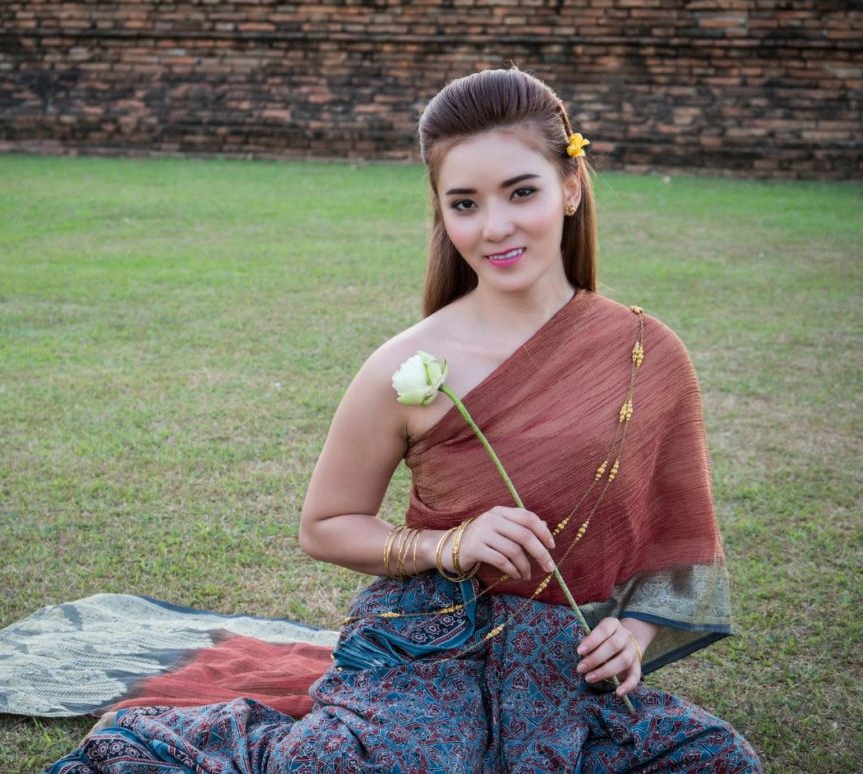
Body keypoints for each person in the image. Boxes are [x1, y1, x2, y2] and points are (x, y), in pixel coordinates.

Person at [47, 67, 761, 772]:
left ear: (570, 187)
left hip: (567, 665)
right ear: (442, 215)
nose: (496, 226)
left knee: (715, 760)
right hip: (428, 640)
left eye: (521, 192)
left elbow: (680, 547)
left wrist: (632, 635)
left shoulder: (648, 355)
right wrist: (450, 546)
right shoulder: (408, 365)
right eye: (465, 204)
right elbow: (325, 525)